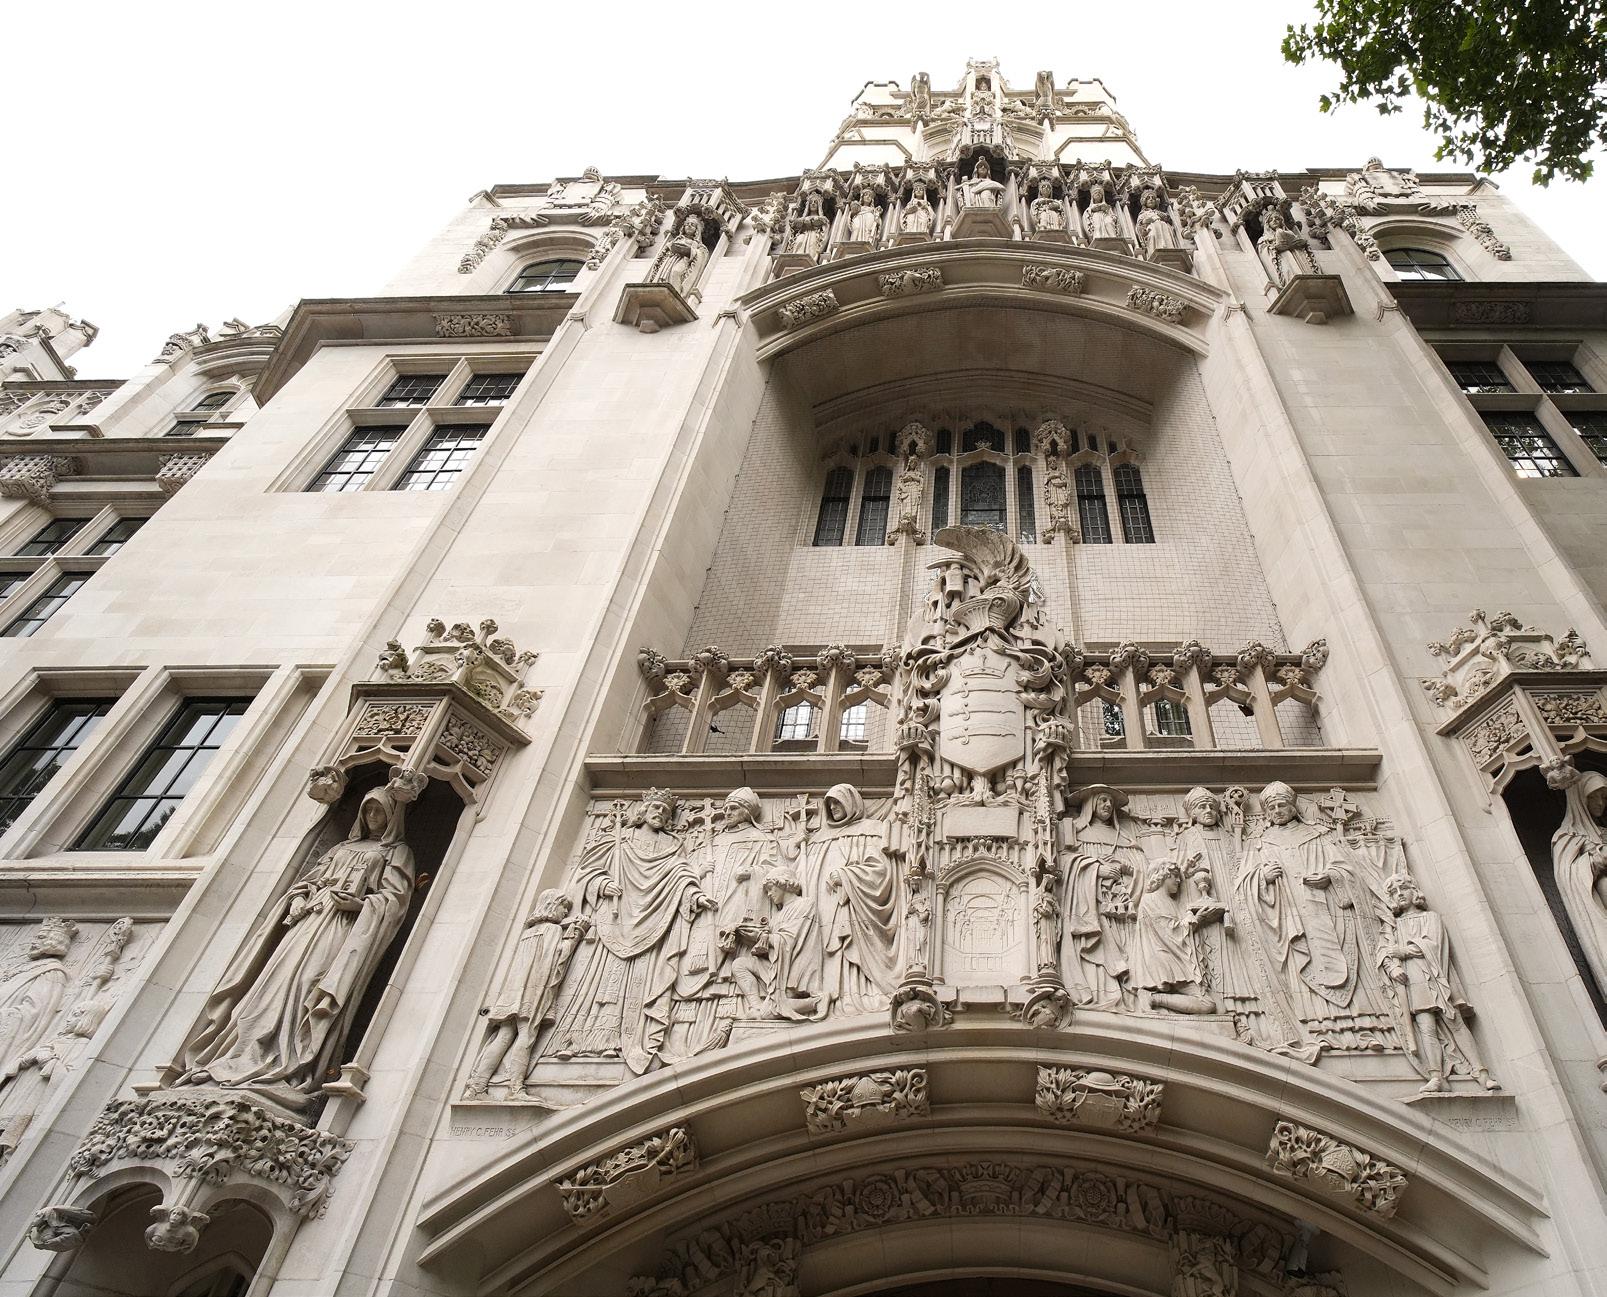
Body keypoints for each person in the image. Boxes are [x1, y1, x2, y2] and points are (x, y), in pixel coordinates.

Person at [176, 781, 416, 1112]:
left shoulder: (396, 852)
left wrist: (361, 906)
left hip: (344, 927)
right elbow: (309, 880)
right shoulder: (341, 847)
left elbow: (395, 900)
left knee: (311, 983)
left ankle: (291, 1062)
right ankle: (245, 1052)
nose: (373, 816)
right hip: (308, 921)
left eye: (380, 811)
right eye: (368, 809)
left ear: (392, 815)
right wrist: (298, 898)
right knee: (272, 986)